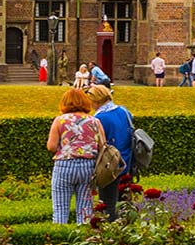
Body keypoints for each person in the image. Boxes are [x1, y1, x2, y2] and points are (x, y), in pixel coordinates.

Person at [46, 87, 102, 224]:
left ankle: (60, 242)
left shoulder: (60, 121)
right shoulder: (94, 121)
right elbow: (102, 145)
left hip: (64, 166)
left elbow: (51, 146)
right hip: (88, 167)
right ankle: (84, 241)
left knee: (60, 210)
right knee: (85, 211)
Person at [90, 84, 134, 221]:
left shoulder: (100, 118)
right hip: (127, 161)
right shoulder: (124, 111)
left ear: (96, 100)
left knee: (108, 204)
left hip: (109, 165)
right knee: (125, 202)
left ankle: (112, 237)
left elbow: (98, 143)